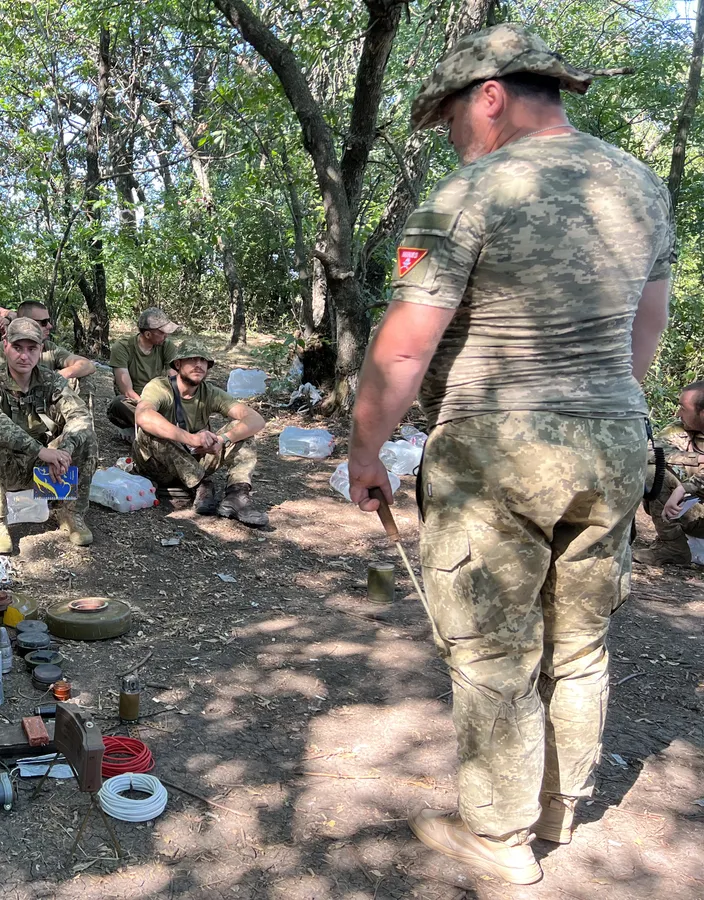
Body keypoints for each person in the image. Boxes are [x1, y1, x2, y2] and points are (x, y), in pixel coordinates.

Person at [345, 25, 673, 885]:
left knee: (493, 654)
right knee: (582, 640)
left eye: (451, 115)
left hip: (498, 446)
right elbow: (647, 328)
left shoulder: (469, 193)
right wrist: (605, 408)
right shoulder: (640, 185)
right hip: (612, 438)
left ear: (489, 95)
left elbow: (406, 347)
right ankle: (563, 807)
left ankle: (499, 841)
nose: (451, 134)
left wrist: (365, 450)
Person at [0, 317, 97, 555]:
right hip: (6, 468)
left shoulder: (51, 380)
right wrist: (42, 452)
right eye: (18, 348)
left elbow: (79, 415)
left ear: (41, 349)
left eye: (32, 349)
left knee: (85, 436)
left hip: (44, 470)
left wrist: (64, 452)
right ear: (5, 345)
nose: (24, 356)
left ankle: (71, 513)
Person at [133, 339, 268, 527]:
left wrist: (222, 439)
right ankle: (202, 485)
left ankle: (236, 496)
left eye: (204, 361)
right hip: (160, 466)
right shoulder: (160, 387)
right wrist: (191, 438)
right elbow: (143, 416)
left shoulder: (209, 392)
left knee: (242, 430)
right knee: (151, 431)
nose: (199, 365)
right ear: (178, 364)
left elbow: (256, 419)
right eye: (192, 359)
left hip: (196, 459)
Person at [0, 300, 96, 430]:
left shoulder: (49, 349)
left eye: (32, 349)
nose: (49, 326)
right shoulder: (3, 351)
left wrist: (58, 377)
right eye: (43, 322)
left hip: (42, 411)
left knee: (81, 381)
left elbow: (87, 365)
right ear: (26, 323)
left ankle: (78, 431)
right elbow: (1, 389)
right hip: (11, 417)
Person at [634, 380, 704, 566]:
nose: (678, 413)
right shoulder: (681, 428)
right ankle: (673, 548)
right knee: (653, 473)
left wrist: (684, 488)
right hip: (691, 512)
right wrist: (694, 459)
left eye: (683, 408)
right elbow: (647, 451)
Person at [107, 307, 180, 439]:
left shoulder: (166, 346)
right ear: (147, 334)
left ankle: (158, 428)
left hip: (160, 400)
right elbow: (127, 391)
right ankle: (158, 427)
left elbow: (174, 379)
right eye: (162, 333)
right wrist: (148, 410)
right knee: (119, 404)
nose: (166, 336)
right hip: (136, 402)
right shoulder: (123, 348)